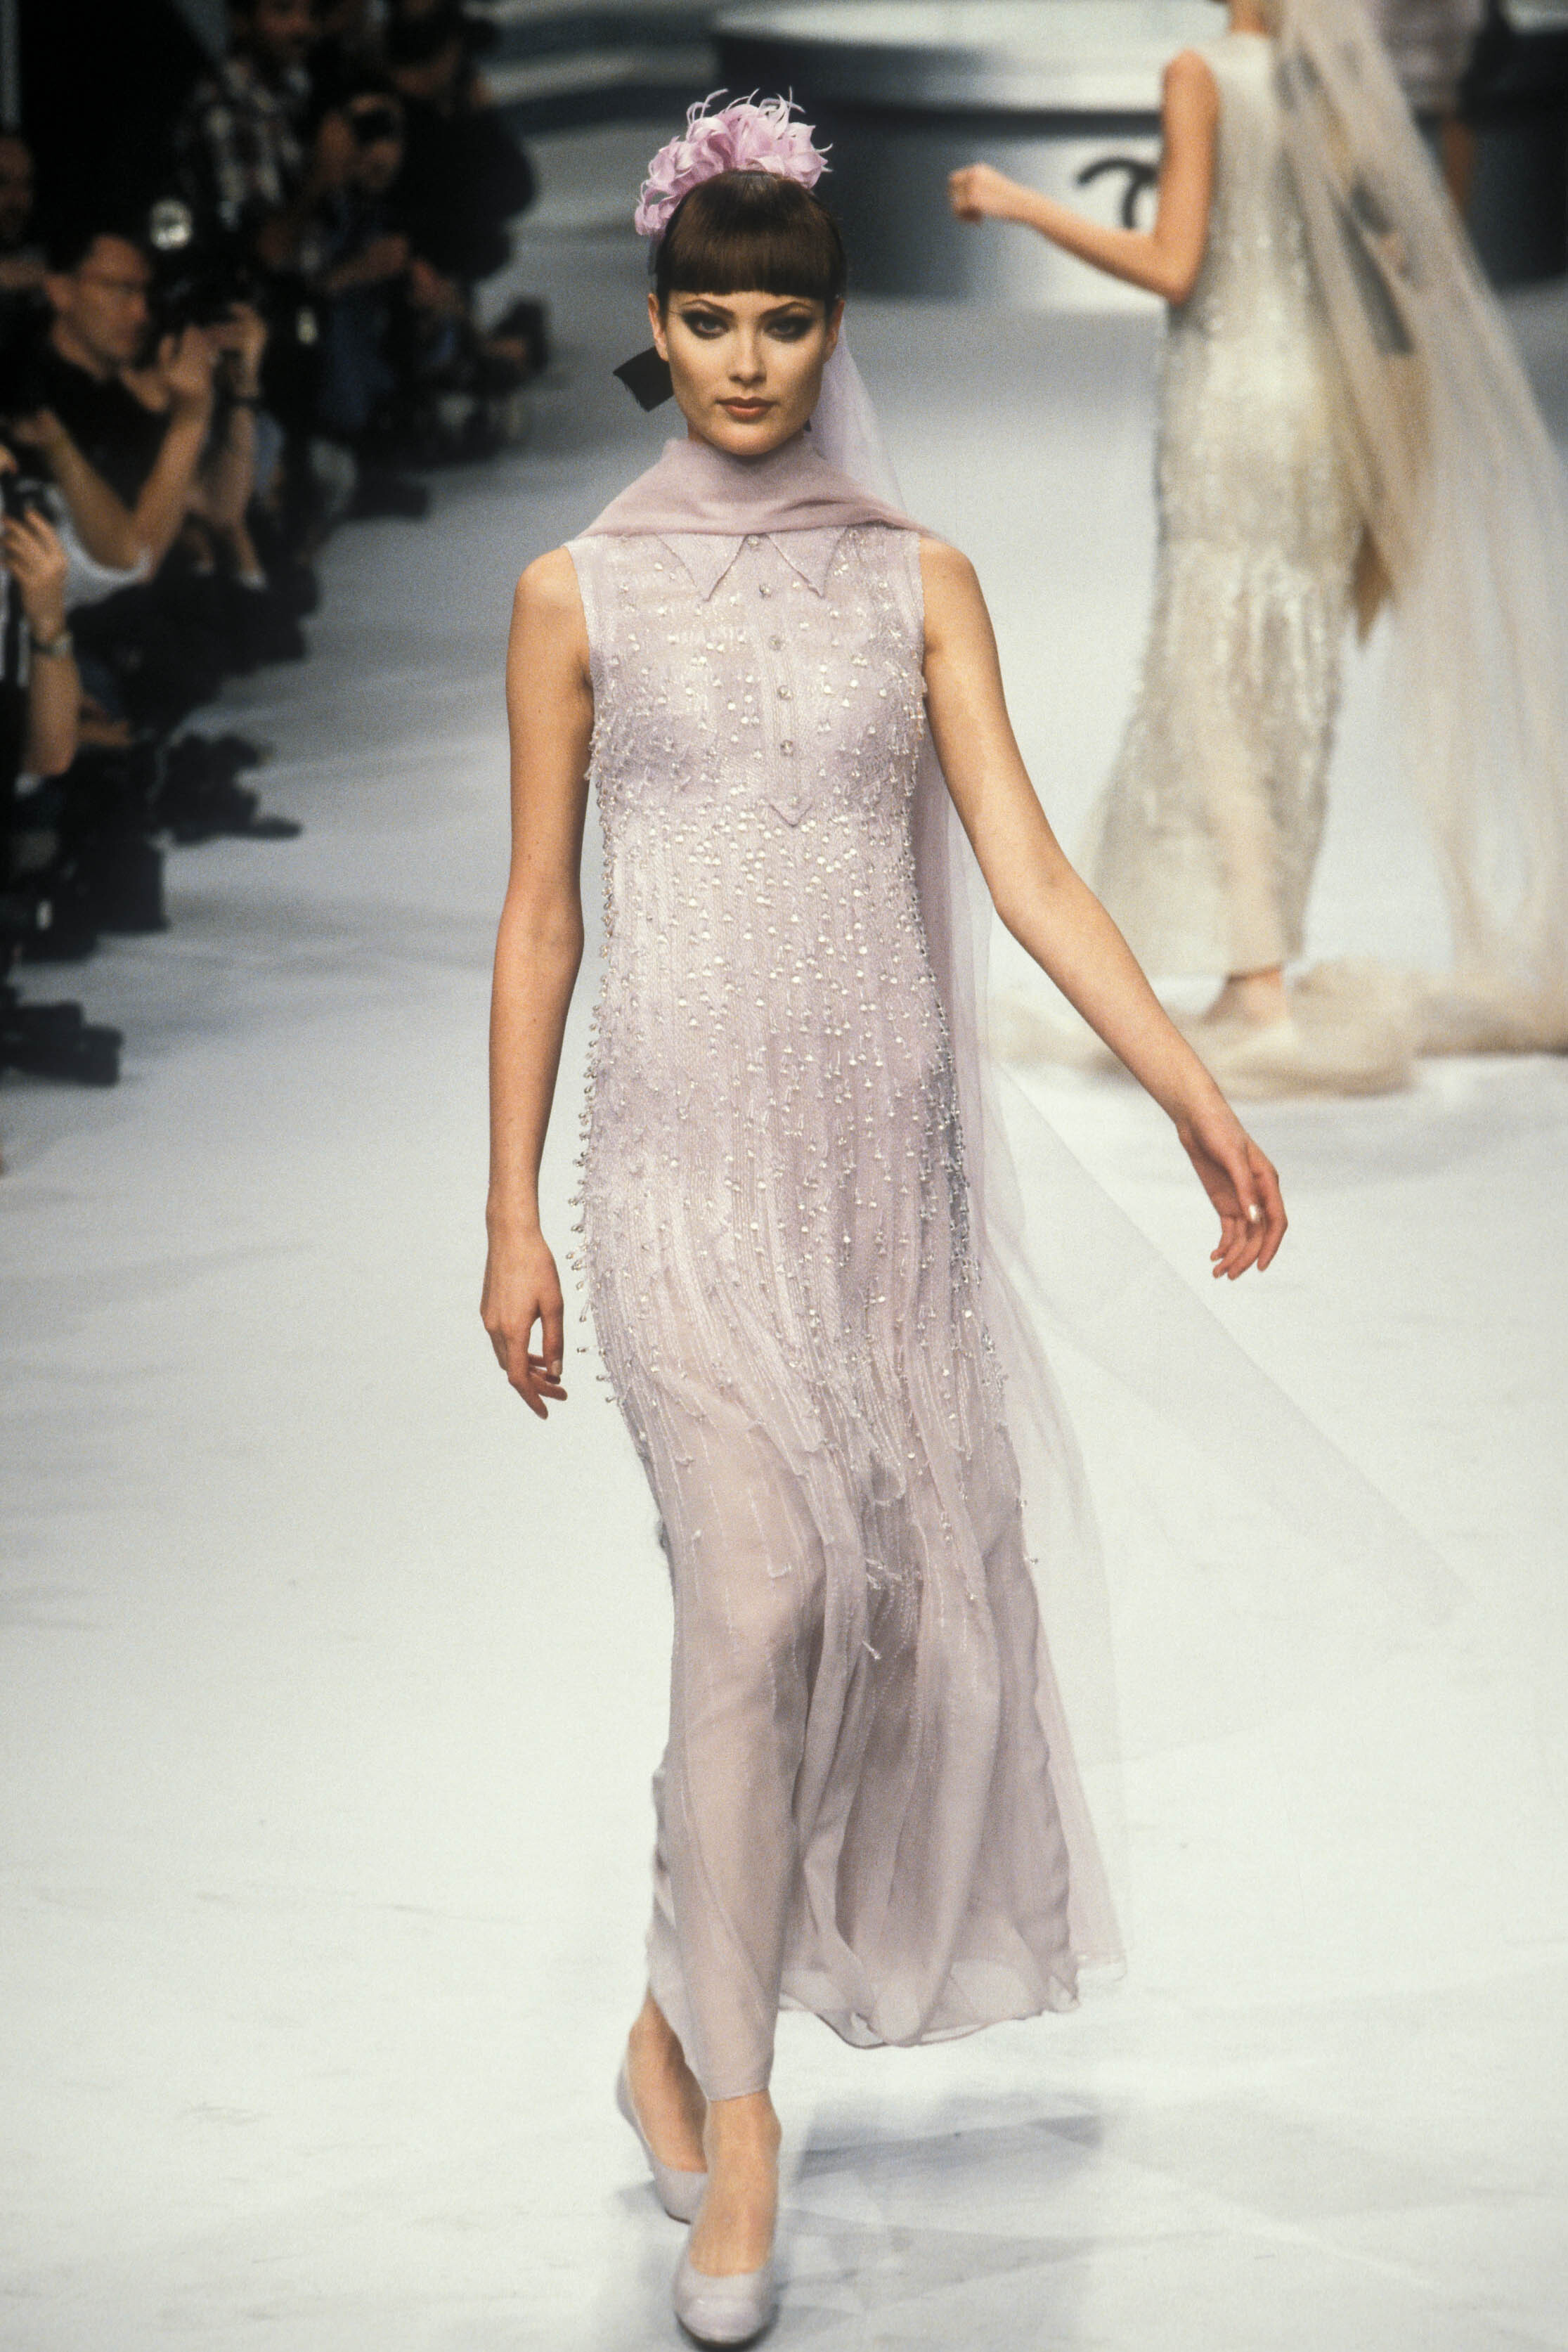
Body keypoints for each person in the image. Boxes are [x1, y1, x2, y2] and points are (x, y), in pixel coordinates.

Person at [481, 98, 1285, 2347]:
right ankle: (742, 2113)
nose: (747, 356)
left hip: (878, 1189)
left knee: (885, 1618)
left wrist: (1194, 1091)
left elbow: (1027, 872)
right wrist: (509, 1214)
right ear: (657, 329)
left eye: (784, 317)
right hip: (675, 1173)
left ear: (833, 333)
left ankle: (671, 2010)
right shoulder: (570, 596)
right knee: (760, 1601)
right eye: (710, 317)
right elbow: (540, 918)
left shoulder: (921, 579)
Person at [951, 0, 1568, 1094]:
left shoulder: (1203, 73)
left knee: (1213, 679)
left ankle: (1263, 979)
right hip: (1324, 408)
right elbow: (1398, 260)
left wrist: (1019, 203)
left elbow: (1174, 264)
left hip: (1234, 402)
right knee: (1286, 673)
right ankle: (1255, 966)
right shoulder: (1325, 87)